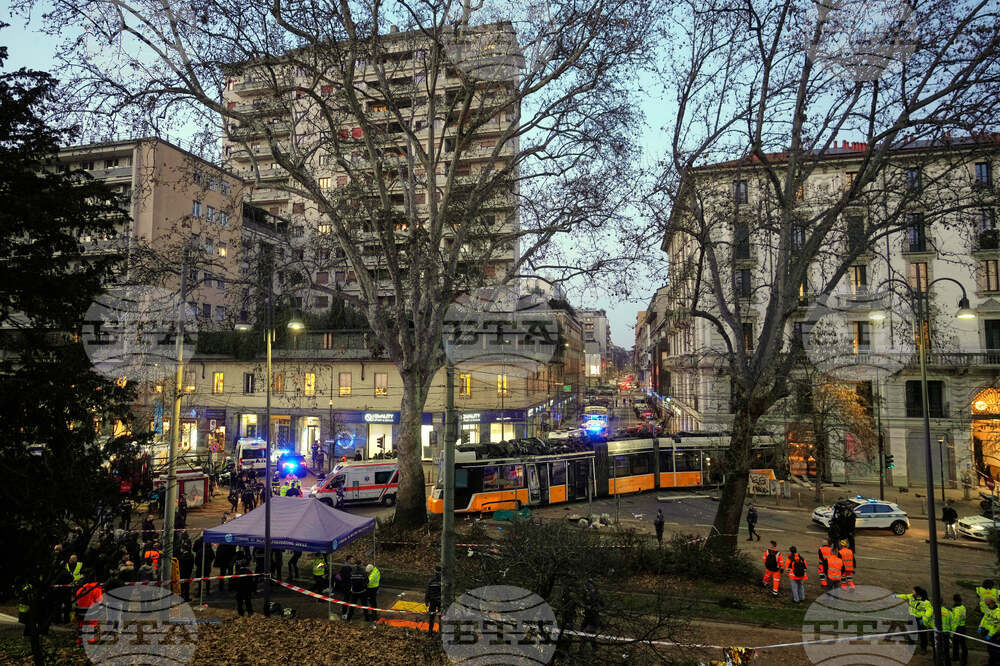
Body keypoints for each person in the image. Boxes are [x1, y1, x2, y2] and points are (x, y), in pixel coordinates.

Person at [898, 587, 931, 653]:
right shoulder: (911, 596)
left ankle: (923, 649)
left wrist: (924, 619)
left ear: (917, 592)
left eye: (913, 591)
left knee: (923, 634)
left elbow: (929, 611)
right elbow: (905, 596)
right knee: (912, 633)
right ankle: (911, 649)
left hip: (921, 619)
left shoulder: (926, 601)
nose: (912, 591)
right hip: (912, 618)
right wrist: (896, 596)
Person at [980, 596, 1000, 664]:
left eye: (988, 604)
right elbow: (984, 619)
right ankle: (991, 662)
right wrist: (980, 627)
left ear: (993, 603)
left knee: (995, 650)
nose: (987, 606)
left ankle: (994, 663)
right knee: (990, 649)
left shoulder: (998, 612)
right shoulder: (988, 609)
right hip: (988, 632)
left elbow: (996, 626)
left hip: (995, 634)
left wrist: (990, 635)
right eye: (986, 604)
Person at [951, 593, 968, 666]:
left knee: (957, 644)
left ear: (954, 600)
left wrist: (952, 632)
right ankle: (960, 658)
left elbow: (955, 621)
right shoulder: (963, 607)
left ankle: (958, 658)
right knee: (962, 644)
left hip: (958, 628)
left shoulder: (956, 609)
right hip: (963, 627)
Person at [425, 566, 442, 632]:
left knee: (431, 617)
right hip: (440, 601)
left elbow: (428, 592)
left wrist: (426, 601)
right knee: (441, 617)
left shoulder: (431, 581)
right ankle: (440, 632)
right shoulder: (443, 581)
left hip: (432, 601)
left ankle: (430, 632)